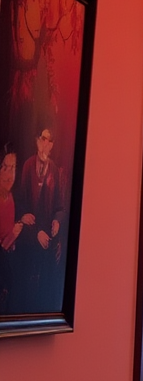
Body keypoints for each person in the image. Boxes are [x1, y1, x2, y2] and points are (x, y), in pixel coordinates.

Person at [16, 122, 68, 312]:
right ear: (37, 141)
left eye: (49, 141)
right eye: (43, 139)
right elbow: (21, 204)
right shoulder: (28, 165)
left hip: (48, 240)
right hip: (30, 239)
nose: (46, 144)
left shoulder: (54, 169)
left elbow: (60, 207)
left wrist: (57, 221)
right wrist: (36, 231)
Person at [0, 144, 31, 312]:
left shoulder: (17, 200)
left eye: (13, 168)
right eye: (5, 168)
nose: (9, 175)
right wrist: (10, 238)